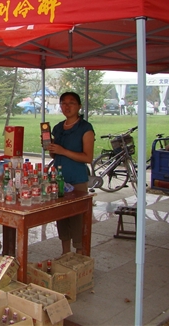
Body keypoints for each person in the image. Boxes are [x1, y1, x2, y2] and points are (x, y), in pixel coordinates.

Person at [47, 92, 95, 255]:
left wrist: (63, 150)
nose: (67, 106)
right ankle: (65, 253)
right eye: (64, 103)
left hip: (77, 179)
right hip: (59, 179)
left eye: (71, 103)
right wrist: (51, 147)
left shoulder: (85, 128)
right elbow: (55, 155)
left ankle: (80, 254)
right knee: (61, 217)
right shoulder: (58, 128)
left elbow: (88, 157)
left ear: (79, 106)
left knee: (77, 218)